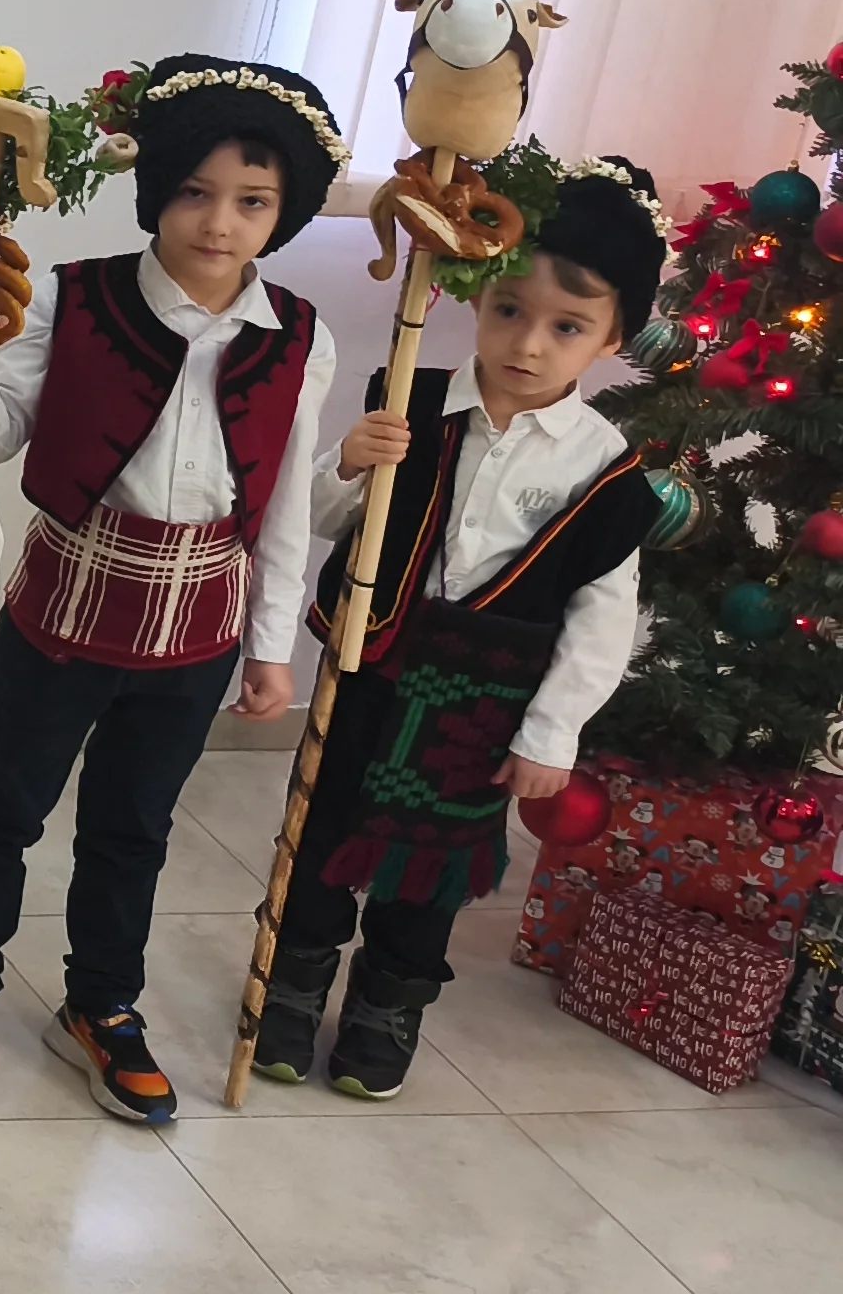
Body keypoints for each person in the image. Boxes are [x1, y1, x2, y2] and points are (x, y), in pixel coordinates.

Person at [0, 59, 349, 1123]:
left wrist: (270, 646)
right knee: (3, 805)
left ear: (283, 212)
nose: (220, 222)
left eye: (253, 201)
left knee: (133, 827)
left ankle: (100, 1002)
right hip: (64, 604)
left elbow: (285, 499)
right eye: (195, 192)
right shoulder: (74, 296)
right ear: (156, 192)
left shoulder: (301, 337)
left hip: (198, 625)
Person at [255, 158, 666, 1100]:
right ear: (476, 298)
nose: (529, 344)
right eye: (509, 311)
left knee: (427, 865)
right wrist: (349, 464)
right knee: (323, 829)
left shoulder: (607, 473)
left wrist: (551, 733)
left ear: (613, 338)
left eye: (568, 327)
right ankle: (293, 979)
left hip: (482, 708)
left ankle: (389, 1001)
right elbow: (320, 520)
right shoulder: (412, 397)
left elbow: (602, 618)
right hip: (375, 669)